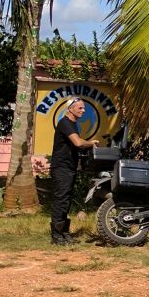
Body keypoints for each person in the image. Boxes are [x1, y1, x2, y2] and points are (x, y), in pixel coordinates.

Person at [49, 97, 95, 245]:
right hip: (61, 168)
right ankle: (56, 236)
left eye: (84, 108)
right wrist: (91, 143)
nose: (83, 110)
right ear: (70, 109)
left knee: (66, 201)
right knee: (61, 200)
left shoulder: (73, 124)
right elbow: (78, 142)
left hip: (69, 167)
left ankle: (64, 233)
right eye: (80, 108)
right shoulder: (65, 123)